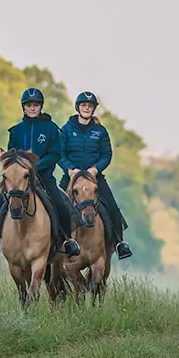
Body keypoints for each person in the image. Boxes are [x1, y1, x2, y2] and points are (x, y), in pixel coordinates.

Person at [0, 88, 82, 261]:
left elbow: (55, 154)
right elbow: (11, 156)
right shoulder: (16, 131)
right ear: (23, 107)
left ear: (40, 106)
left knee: (60, 203)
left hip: (44, 177)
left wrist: (36, 166)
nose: (32, 108)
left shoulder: (51, 129)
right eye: (29, 105)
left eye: (36, 105)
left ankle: (67, 241)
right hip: (19, 180)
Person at [59, 91, 133, 259]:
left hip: (95, 178)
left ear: (93, 109)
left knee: (112, 208)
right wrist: (69, 169)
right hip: (71, 178)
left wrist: (96, 169)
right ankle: (54, 245)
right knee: (57, 206)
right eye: (84, 105)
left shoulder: (100, 131)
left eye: (90, 106)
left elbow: (107, 154)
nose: (86, 108)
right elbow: (60, 153)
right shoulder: (66, 129)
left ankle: (119, 243)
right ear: (78, 107)